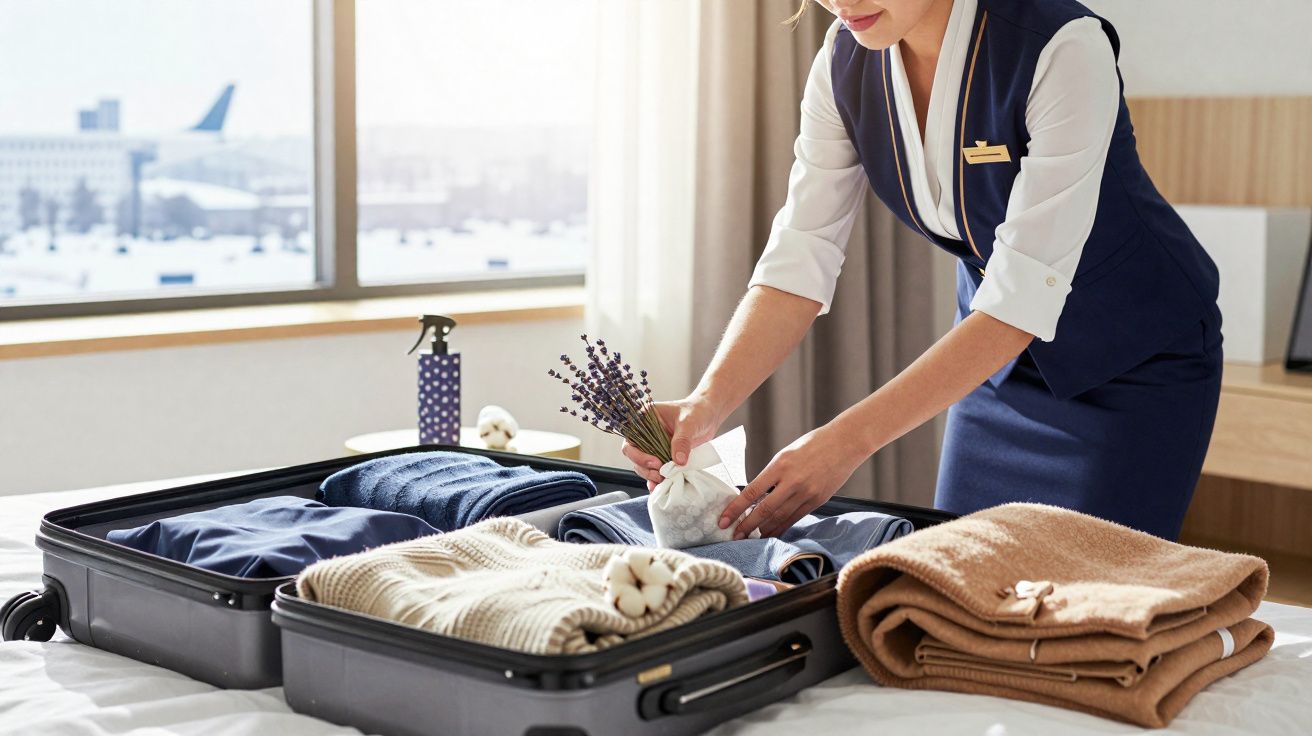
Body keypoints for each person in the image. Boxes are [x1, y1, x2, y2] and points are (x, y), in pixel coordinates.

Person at [622, 0, 1222, 542]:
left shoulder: (1061, 44)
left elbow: (1021, 297)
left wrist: (846, 441)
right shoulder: (843, 60)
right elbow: (799, 257)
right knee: (954, 591)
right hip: (993, 368)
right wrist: (706, 404)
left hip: (1134, 360)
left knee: (1086, 620)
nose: (843, 1)